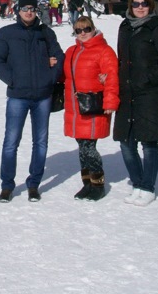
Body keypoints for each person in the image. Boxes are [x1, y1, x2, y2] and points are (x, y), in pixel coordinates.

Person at [0, 0, 64, 203]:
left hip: (42, 96)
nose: (29, 12)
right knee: (11, 142)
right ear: (18, 11)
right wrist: (12, 79)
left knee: (40, 142)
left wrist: (50, 77)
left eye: (32, 9)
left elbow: (60, 57)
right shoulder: (6, 33)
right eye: (25, 9)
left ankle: (34, 184)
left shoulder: (45, 33)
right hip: (18, 96)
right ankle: (7, 185)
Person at [114, 0, 158, 206]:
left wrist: (149, 78)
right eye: (136, 4)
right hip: (126, 91)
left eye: (144, 4)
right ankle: (137, 183)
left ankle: (148, 186)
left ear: (150, 6)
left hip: (148, 93)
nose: (140, 7)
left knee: (148, 141)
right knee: (126, 142)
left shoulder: (156, 28)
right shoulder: (124, 27)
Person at [62, 16, 119, 201]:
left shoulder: (104, 51)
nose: (83, 33)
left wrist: (110, 102)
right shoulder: (71, 51)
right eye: (78, 30)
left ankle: (98, 184)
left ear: (93, 29)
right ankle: (87, 183)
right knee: (82, 146)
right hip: (76, 108)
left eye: (86, 29)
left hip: (93, 106)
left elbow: (111, 78)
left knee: (88, 147)